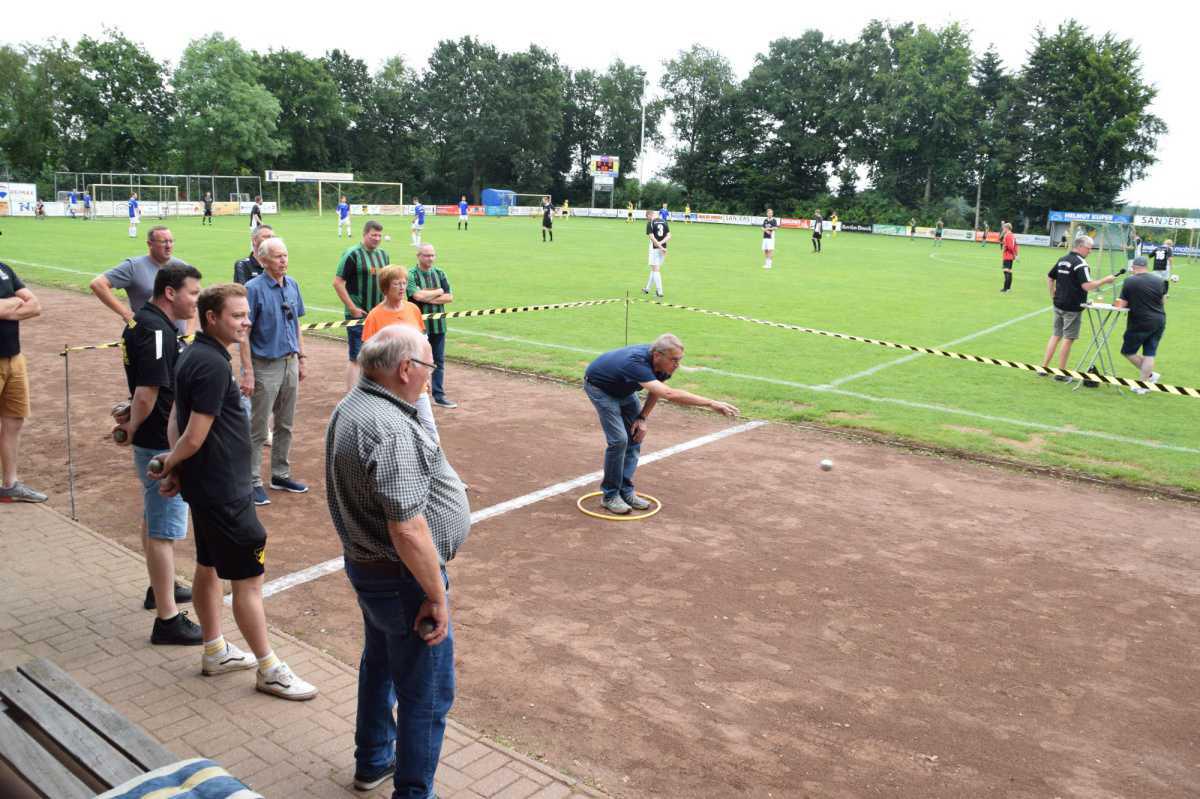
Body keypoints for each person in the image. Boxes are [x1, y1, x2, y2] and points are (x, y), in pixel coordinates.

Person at [151, 283, 318, 701]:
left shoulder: (194, 353)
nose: (246, 322)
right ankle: (269, 668)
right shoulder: (210, 363)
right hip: (225, 488)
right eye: (237, 316)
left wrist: (178, 468)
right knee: (248, 581)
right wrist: (172, 464)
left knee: (207, 567)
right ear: (212, 317)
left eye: (246, 315)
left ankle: (214, 650)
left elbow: (176, 418)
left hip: (208, 484)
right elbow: (193, 433)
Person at [324, 324, 470, 795]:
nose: (431, 374)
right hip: (402, 580)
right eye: (428, 366)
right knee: (426, 697)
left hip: (371, 570)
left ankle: (373, 759)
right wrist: (435, 594)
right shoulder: (387, 427)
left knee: (382, 663)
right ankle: (412, 791)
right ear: (406, 369)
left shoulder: (357, 404)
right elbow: (407, 528)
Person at [114, 265, 204, 643]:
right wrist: (132, 425)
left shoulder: (145, 322)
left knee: (153, 518)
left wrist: (131, 414)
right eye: (193, 294)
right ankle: (168, 619)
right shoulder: (154, 330)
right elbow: (148, 391)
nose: (196, 301)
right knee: (164, 530)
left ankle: (159, 588)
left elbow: (142, 388)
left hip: (152, 435)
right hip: (159, 440)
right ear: (170, 293)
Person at [584, 334, 739, 515]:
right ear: (657, 355)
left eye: (679, 360)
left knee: (635, 436)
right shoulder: (636, 363)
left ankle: (625, 491)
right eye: (674, 360)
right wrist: (710, 403)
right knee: (619, 440)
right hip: (601, 388)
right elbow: (669, 394)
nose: (677, 365)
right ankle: (610, 496)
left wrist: (642, 418)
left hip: (625, 390)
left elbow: (656, 390)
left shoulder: (664, 366)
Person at [241, 237, 308, 507]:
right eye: (278, 257)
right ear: (263, 259)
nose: (283, 261)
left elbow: (296, 326)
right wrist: (247, 371)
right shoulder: (252, 289)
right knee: (258, 427)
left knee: (285, 423)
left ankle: (280, 474)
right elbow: (243, 334)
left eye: (285, 255)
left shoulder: (292, 285)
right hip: (264, 365)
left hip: (289, 362)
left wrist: (302, 359)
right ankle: (252, 480)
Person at [361, 266, 439, 443]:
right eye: (397, 284)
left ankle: (434, 469)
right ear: (386, 287)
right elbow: (368, 356)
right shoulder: (375, 316)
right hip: (391, 387)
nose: (402, 287)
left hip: (416, 384)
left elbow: (423, 344)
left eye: (404, 283)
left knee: (430, 433)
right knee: (396, 435)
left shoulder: (413, 310)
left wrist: (427, 375)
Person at [1039, 234, 1119, 381]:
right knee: (1068, 338)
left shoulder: (1063, 260)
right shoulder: (1081, 264)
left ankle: (1044, 368)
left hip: (1058, 303)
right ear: (1081, 246)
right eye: (1089, 248)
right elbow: (1087, 286)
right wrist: (1105, 280)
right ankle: (1061, 373)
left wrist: (1052, 295)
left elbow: (1050, 277)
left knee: (1056, 335)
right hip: (1072, 307)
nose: (1091, 251)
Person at [0, 262, 46, 503]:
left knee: (13, 420)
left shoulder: (4, 269)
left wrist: (5, 307)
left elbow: (35, 305)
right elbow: (24, 302)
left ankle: (9, 485)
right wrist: (15, 302)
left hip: (14, 358)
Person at [92, 226, 194, 334]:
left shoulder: (182, 267)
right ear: (150, 244)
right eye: (163, 242)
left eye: (171, 241)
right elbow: (98, 284)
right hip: (147, 340)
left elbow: (191, 302)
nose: (168, 246)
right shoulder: (133, 267)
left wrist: (189, 332)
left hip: (179, 341)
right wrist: (126, 315)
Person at [334, 220, 389, 392]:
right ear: (364, 234)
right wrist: (352, 308)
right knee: (357, 357)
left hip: (378, 315)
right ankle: (351, 395)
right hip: (358, 316)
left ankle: (375, 391)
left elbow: (386, 282)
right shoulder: (352, 254)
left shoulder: (384, 255)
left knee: (378, 355)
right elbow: (337, 282)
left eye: (379, 235)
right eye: (373, 235)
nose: (377, 238)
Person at [407, 244, 456, 408]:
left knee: (439, 361)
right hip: (419, 327)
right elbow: (416, 295)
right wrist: (438, 291)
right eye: (427, 255)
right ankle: (414, 394)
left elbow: (449, 297)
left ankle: (439, 395)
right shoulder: (411, 274)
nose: (430, 258)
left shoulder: (440, 273)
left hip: (439, 325)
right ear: (418, 256)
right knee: (417, 361)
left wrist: (428, 297)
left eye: (432, 255)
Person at [1115, 255, 1167, 395]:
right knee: (1149, 353)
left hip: (1140, 322)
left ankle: (1145, 381)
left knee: (1128, 351)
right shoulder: (1159, 280)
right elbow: (1163, 301)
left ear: (1133, 268)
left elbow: (1122, 304)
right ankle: (1146, 382)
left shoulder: (1129, 281)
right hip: (1159, 320)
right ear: (1146, 267)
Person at [643, 210, 670, 295]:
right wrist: (662, 246)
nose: (647, 219)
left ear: (650, 215)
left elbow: (652, 238)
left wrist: (659, 246)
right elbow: (669, 236)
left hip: (654, 248)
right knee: (654, 269)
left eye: (647, 217)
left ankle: (660, 291)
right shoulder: (664, 221)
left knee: (656, 270)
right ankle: (647, 288)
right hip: (663, 248)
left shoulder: (650, 223)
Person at [1000, 222, 1019, 293]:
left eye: (1004, 228)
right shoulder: (1012, 235)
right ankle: (1008, 288)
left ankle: (1006, 288)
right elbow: (1016, 246)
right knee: (1009, 272)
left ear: (1007, 228)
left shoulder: (1008, 235)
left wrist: (1014, 254)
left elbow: (1010, 246)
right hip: (1010, 256)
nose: (1003, 229)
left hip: (1007, 256)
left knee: (1006, 272)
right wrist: (1016, 254)